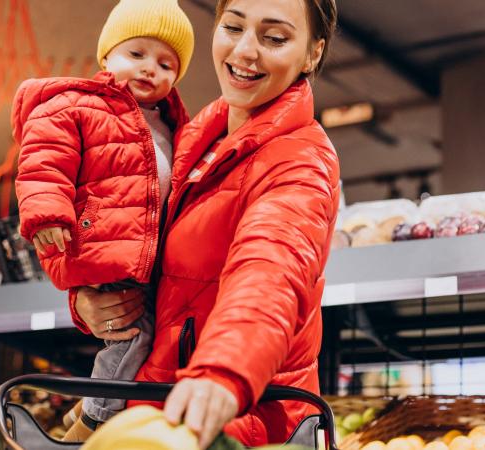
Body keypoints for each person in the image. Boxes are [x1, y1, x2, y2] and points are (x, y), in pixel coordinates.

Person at [71, 0, 340, 448]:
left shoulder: (300, 160)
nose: (245, 51)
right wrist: (90, 301)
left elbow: (271, 269)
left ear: (312, 53)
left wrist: (223, 371)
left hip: (246, 423)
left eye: (274, 38)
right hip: (167, 410)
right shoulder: (191, 140)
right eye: (233, 27)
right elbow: (131, 241)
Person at [11, 0, 194, 441]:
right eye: (137, 54)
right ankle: (93, 421)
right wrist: (47, 214)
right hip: (105, 248)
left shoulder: (175, 126)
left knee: (141, 338)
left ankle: (85, 418)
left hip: (148, 259)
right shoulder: (76, 105)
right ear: (107, 55)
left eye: (166, 62)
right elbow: (43, 162)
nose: (151, 68)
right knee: (134, 337)